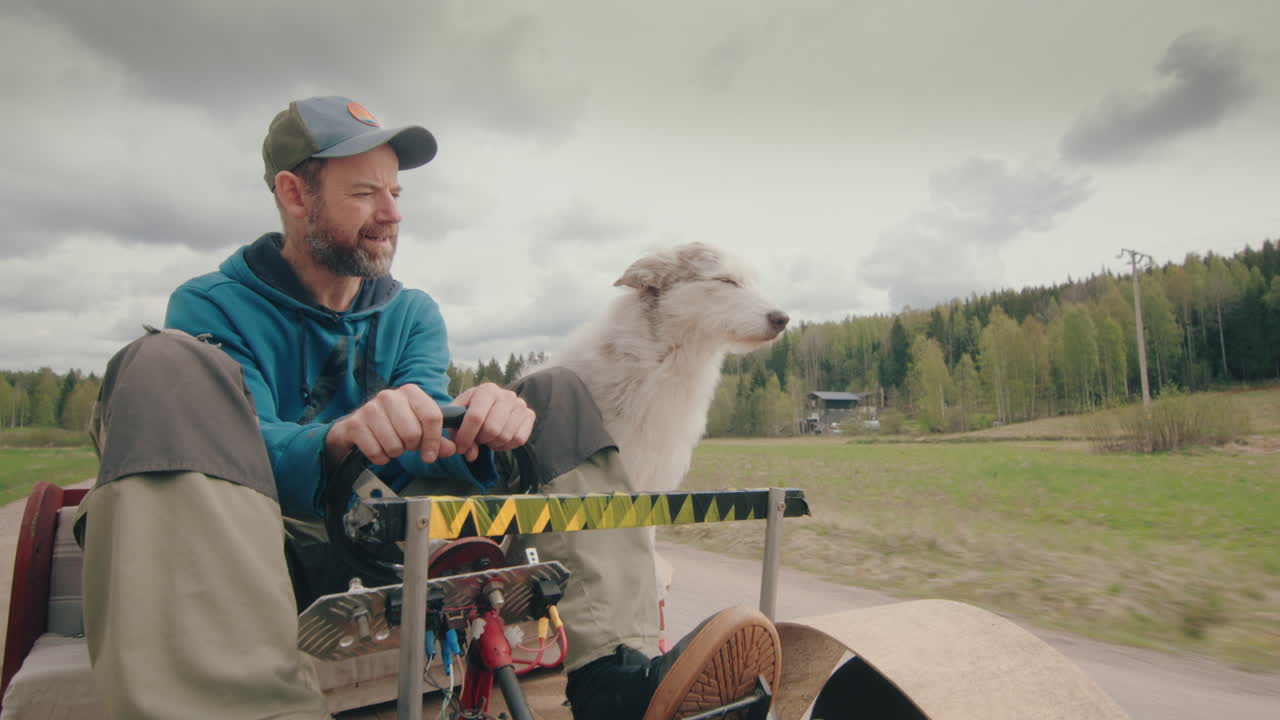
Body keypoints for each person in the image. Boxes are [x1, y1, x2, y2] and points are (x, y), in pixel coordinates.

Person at [75, 96, 780, 720]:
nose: (392, 213)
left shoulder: (411, 313)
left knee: (556, 392)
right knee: (163, 364)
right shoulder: (210, 307)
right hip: (272, 550)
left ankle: (617, 685)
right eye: (365, 193)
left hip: (404, 546)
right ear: (295, 194)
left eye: (395, 191)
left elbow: (427, 442)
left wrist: (484, 423)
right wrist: (337, 439)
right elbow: (240, 446)